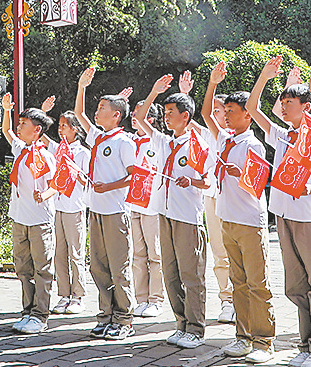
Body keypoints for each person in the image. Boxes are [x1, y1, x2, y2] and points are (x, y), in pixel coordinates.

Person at [249, 48, 311, 367]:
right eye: (283, 101)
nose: (284, 106)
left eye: (289, 102)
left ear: (307, 107)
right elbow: (252, 108)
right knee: (296, 286)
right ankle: (307, 345)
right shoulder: (283, 135)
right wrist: (265, 77)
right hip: (284, 216)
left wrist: (308, 190)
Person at [203, 58, 280, 364]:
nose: (225, 117)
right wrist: (212, 83)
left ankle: (264, 341)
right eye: (226, 112)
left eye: (232, 112)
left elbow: (259, 182)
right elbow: (207, 113)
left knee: (258, 283)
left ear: (248, 116)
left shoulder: (253, 144)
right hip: (228, 219)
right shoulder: (225, 138)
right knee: (239, 281)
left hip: (249, 221)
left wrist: (240, 173)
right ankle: (243, 336)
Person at [140, 87, 212, 348]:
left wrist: (192, 180)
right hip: (165, 212)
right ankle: (181, 323)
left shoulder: (198, 145)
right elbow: (139, 118)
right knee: (170, 272)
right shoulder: (165, 142)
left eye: (171, 112)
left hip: (187, 217)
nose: (166, 117)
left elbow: (209, 181)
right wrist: (154, 93)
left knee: (191, 274)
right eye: (165, 112)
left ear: (186, 116)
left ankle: (196, 328)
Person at [74, 67, 136, 340]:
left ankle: (124, 319)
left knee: (119, 267)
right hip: (96, 210)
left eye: (102, 108)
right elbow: (79, 115)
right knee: (98, 266)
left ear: (116, 115)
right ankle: (106, 315)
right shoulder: (98, 137)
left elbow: (134, 176)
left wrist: (108, 186)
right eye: (97, 108)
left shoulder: (124, 141)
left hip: (115, 211)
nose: (96, 113)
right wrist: (81, 87)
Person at [1, 94, 57, 335]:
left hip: (39, 220)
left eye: (24, 123)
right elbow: (6, 130)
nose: (19, 126)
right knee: (23, 268)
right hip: (19, 218)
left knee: (42, 269)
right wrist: (6, 110)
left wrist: (44, 195)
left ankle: (41, 316)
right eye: (20, 122)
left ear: (37, 130)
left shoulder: (44, 156)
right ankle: (27, 312)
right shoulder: (21, 149)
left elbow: (57, 184)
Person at [129, 76, 173, 319]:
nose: (134, 118)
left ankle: (156, 299)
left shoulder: (158, 141)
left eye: (139, 115)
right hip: (133, 203)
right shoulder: (130, 140)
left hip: (152, 204)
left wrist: (153, 92)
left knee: (155, 254)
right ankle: (141, 298)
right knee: (137, 254)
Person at [50, 108, 91, 315]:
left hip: (74, 207)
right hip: (57, 207)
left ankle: (78, 296)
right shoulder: (57, 150)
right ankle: (64, 294)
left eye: (64, 126)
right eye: (59, 126)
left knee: (76, 254)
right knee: (59, 253)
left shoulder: (83, 153)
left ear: (75, 129)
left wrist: (74, 168)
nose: (60, 130)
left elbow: (88, 181)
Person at [205, 92, 238, 324]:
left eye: (225, 111)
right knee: (219, 253)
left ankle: (242, 299)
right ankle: (227, 300)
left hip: (234, 200)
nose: (221, 115)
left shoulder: (239, 138)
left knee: (237, 252)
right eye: (217, 111)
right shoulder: (207, 135)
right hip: (212, 196)